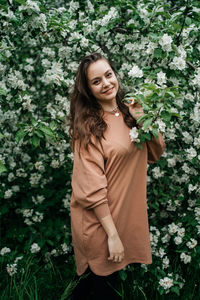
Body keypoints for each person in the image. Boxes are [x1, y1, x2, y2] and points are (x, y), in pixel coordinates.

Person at [67, 52, 166, 299]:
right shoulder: (89, 127)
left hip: (121, 217)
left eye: (108, 75)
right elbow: (90, 187)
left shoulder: (130, 113)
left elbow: (154, 152)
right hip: (99, 223)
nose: (106, 83)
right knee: (96, 289)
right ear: (88, 89)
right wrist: (112, 235)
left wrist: (142, 118)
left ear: (116, 75)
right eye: (96, 81)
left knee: (100, 289)